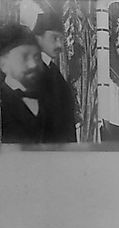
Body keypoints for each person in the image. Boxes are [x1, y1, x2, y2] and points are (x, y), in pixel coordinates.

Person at [31, 13, 75, 143]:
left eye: (61, 39)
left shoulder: (52, 69)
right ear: (38, 38)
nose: (60, 45)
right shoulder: (32, 71)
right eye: (54, 38)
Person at [0, 24, 48, 144]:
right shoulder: (2, 100)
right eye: (24, 57)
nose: (33, 64)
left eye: (37, 57)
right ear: (3, 63)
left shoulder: (50, 99)